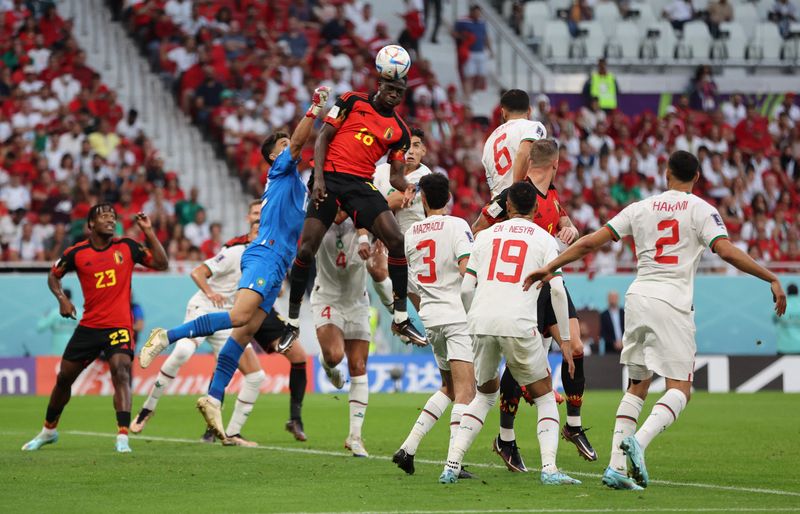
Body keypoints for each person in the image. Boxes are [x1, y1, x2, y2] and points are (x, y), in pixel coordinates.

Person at [522, 150, 787, 490]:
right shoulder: (702, 209)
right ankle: (639, 442)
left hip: (637, 298)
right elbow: (725, 250)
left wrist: (551, 265)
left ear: (665, 173)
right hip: (671, 302)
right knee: (681, 389)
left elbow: (590, 242)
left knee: (638, 384)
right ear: (697, 177)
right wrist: (770, 277)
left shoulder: (641, 208)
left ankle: (616, 468)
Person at [139, 86, 331, 440]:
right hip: (267, 254)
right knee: (239, 317)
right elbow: (300, 144)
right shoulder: (282, 169)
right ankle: (167, 335)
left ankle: (213, 397)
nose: (291, 146)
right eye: (284, 145)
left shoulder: (295, 185)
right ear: (274, 156)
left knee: (241, 335)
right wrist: (315, 110)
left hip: (279, 263)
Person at [439, 182, 579, 486]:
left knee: (485, 395)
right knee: (543, 396)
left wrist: (470, 319)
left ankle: (451, 464)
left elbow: (466, 287)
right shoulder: (544, 239)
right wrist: (565, 340)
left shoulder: (485, 236)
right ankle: (550, 469)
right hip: (518, 323)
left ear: (509, 205)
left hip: (481, 322)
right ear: (536, 209)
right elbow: (556, 288)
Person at [280, 78, 427, 351]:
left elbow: (395, 176)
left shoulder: (400, 132)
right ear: (380, 85)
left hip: (360, 185)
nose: (395, 95)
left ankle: (401, 318)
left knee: (396, 241)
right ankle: (292, 323)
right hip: (330, 178)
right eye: (391, 89)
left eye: (400, 92)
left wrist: (409, 186)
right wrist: (319, 179)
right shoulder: (351, 100)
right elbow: (324, 136)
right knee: (305, 250)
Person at [475, 139, 596, 468]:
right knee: (519, 365)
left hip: (551, 282)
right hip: (521, 289)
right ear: (556, 163)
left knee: (577, 349)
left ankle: (572, 426)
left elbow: (563, 221)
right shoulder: (514, 196)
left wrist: (569, 228)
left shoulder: (552, 196)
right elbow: (478, 228)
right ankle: (506, 438)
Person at [131, 221, 308, 445]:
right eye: (257, 230)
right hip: (206, 308)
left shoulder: (270, 259)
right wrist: (211, 293)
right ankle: (148, 406)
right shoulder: (235, 253)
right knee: (183, 353)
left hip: (228, 317)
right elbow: (198, 272)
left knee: (256, 376)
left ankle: (230, 431)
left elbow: (277, 289)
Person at [22, 205, 168, 453]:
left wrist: (149, 232)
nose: (110, 220)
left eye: (113, 217)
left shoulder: (127, 247)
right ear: (90, 224)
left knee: (121, 371)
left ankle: (122, 436)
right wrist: (62, 299)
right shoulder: (77, 253)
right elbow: (53, 275)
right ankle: (48, 430)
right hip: (90, 326)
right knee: (64, 378)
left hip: (119, 325)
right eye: (104, 217)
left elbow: (162, 263)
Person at [393, 173, 476, 476]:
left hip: (429, 316)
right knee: (468, 391)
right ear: (449, 197)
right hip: (456, 314)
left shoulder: (412, 233)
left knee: (449, 387)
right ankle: (453, 464)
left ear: (423, 199)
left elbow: (410, 283)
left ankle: (408, 448)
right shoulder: (458, 226)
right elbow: (468, 271)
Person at [312, 210, 373, 456]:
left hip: (357, 301)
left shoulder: (364, 218)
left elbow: (389, 202)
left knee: (358, 365)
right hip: (327, 298)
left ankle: (355, 436)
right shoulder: (317, 219)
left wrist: (364, 236)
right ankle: (326, 364)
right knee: (335, 356)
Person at [368, 127, 433, 311]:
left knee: (425, 310)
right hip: (388, 241)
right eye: (406, 146)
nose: (411, 151)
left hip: (416, 247)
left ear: (423, 151)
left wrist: (371, 208)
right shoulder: (380, 171)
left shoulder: (425, 177)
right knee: (376, 268)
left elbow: (395, 201)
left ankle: (410, 324)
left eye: (416, 146)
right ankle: (397, 316)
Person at [481, 89, 547, 199]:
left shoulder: (490, 139)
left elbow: (491, 184)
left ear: (503, 113)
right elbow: (524, 153)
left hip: (499, 204)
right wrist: (515, 193)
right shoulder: (533, 126)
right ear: (529, 110)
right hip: (521, 199)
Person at [453, 4, 492, 98]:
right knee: (469, 75)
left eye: (479, 13)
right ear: (471, 12)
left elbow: (485, 36)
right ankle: (467, 94)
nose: (477, 14)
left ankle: (473, 92)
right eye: (476, 12)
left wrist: (490, 49)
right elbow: (454, 33)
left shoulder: (482, 23)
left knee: (481, 75)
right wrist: (463, 38)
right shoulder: (463, 21)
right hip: (469, 52)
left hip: (480, 51)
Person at [36, 288, 80, 355]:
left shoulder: (54, 313)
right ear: (71, 297)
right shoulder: (80, 313)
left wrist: (44, 316)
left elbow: (40, 327)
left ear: (61, 297)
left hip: (57, 354)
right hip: (75, 354)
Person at [775, 283, 800, 354]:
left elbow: (774, 319)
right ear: (797, 292)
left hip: (784, 347)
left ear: (787, 292)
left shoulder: (781, 304)